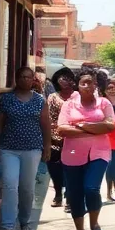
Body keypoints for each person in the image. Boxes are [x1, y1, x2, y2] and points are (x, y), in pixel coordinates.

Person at [0, 65, 49, 230]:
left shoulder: (39, 100)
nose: (25, 80)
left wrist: (47, 146)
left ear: (33, 80)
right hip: (9, 149)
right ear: (16, 78)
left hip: (32, 149)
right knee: (10, 185)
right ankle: (6, 225)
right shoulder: (6, 99)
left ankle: (24, 221)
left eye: (28, 77)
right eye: (21, 77)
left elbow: (45, 125)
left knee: (27, 188)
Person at [57, 66, 115, 230]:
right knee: (74, 194)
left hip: (99, 153)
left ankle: (94, 223)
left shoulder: (104, 103)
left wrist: (80, 125)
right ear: (77, 85)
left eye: (92, 83)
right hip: (72, 155)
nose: (89, 86)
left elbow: (110, 126)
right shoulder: (68, 105)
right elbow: (62, 129)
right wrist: (94, 127)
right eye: (85, 83)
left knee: (91, 189)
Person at [46, 67, 76, 208]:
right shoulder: (52, 97)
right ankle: (58, 193)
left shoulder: (77, 96)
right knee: (55, 169)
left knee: (71, 169)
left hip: (74, 138)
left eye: (68, 78)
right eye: (62, 78)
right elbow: (48, 118)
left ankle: (69, 197)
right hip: (54, 139)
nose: (65, 81)